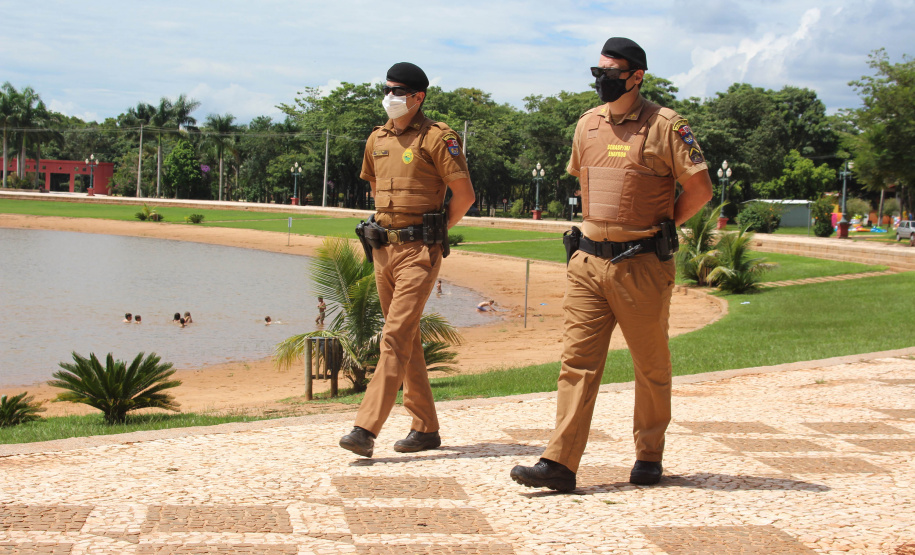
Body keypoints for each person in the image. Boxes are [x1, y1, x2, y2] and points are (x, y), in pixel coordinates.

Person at [510, 37, 713, 492]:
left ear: (636, 76)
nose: (602, 79)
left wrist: (661, 226)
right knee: (576, 363)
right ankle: (559, 463)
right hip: (587, 263)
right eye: (597, 71)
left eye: (611, 72)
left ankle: (649, 454)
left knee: (650, 365)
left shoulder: (666, 126)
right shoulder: (587, 125)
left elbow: (700, 189)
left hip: (641, 264)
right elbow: (585, 185)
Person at [339, 62, 475, 458]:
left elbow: (464, 196)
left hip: (419, 252)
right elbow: (378, 190)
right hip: (383, 250)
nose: (390, 97)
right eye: (386, 89)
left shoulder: (438, 137)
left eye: (398, 91)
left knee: (395, 336)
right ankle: (425, 427)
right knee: (408, 338)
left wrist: (434, 233)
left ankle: (365, 428)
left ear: (418, 97)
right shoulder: (377, 138)